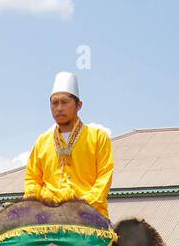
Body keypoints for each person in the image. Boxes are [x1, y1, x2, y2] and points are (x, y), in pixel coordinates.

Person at [23, 72, 114, 217]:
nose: (59, 108)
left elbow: (104, 177)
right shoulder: (42, 141)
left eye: (64, 102)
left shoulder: (98, 137)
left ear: (79, 105)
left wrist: (83, 205)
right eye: (54, 103)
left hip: (88, 212)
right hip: (46, 213)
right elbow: (32, 178)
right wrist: (36, 202)